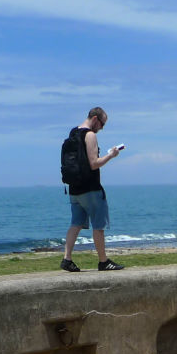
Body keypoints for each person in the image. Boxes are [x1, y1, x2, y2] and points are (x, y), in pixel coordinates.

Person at [61, 106, 126, 272]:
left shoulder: (73, 132)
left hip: (74, 189)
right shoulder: (89, 135)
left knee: (75, 223)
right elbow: (94, 163)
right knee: (99, 226)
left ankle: (66, 259)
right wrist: (111, 155)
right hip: (90, 189)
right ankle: (103, 261)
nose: (102, 128)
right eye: (102, 124)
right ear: (95, 119)